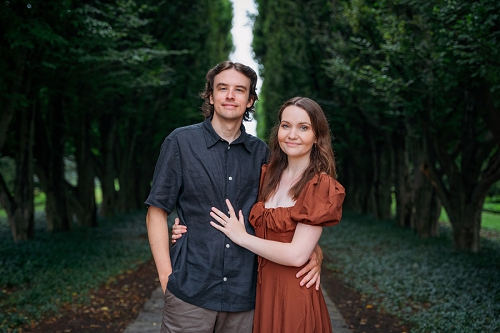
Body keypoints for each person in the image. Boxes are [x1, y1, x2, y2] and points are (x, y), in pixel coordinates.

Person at [145, 62, 323, 333]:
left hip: (245, 296)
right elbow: (157, 211)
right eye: (222, 88)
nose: (230, 95)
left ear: (250, 99)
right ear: (210, 95)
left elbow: (284, 214)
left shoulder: (263, 154)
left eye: (239, 90)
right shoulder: (180, 143)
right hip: (190, 290)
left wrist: (314, 250)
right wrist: (166, 278)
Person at [209, 96, 346, 333]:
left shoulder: (320, 185)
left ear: (317, 137)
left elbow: (296, 255)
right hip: (263, 292)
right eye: (286, 125)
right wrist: (183, 224)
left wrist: (241, 237)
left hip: (294, 295)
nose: (292, 134)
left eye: (303, 127)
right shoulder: (267, 176)